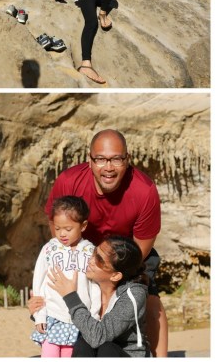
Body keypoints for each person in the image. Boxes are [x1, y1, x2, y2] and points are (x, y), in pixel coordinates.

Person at [29, 129, 167, 357]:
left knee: (151, 303)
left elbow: (140, 247)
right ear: (90, 160)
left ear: (127, 159)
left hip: (126, 255)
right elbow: (58, 226)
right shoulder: (69, 181)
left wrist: (109, 280)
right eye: (101, 159)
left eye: (116, 159)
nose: (108, 167)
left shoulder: (144, 190)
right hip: (80, 248)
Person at [48, 236, 150, 357]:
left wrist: (71, 297)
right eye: (94, 252)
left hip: (124, 354)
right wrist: (39, 305)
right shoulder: (87, 281)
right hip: (96, 351)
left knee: (106, 348)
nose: (91, 260)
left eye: (99, 260)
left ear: (115, 276)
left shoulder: (134, 295)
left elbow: (98, 337)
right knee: (83, 343)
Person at [30, 196, 101, 357]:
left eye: (68, 229)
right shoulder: (49, 248)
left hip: (80, 320)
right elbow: (38, 282)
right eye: (57, 228)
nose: (62, 234)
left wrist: (94, 316)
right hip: (52, 317)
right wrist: (39, 315)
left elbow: (96, 287)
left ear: (83, 226)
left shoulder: (91, 251)